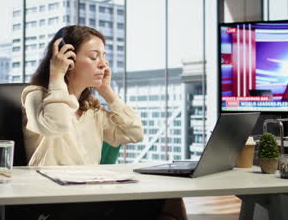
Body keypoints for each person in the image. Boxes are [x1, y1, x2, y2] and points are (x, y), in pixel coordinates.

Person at [21, 25, 187, 220]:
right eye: (93, 57)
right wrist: (56, 75)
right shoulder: (36, 96)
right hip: (53, 201)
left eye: (103, 56)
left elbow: (134, 133)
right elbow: (57, 124)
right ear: (67, 59)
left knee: (169, 197)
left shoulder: (91, 108)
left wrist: (107, 91)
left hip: (91, 195)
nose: (103, 64)